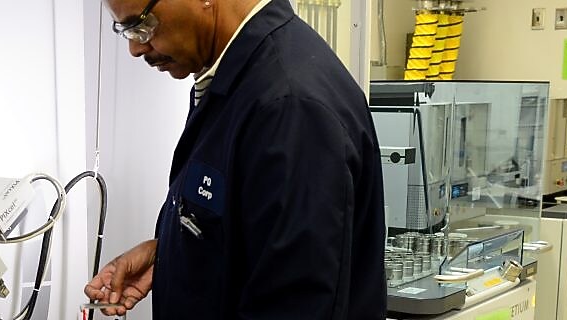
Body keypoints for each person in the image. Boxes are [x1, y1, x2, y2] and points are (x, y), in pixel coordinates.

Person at [83, 0, 387, 318]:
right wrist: (173, 256)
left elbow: (292, 305)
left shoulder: (289, 107)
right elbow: (247, 229)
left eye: (142, 24)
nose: (134, 47)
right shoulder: (233, 80)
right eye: (126, 30)